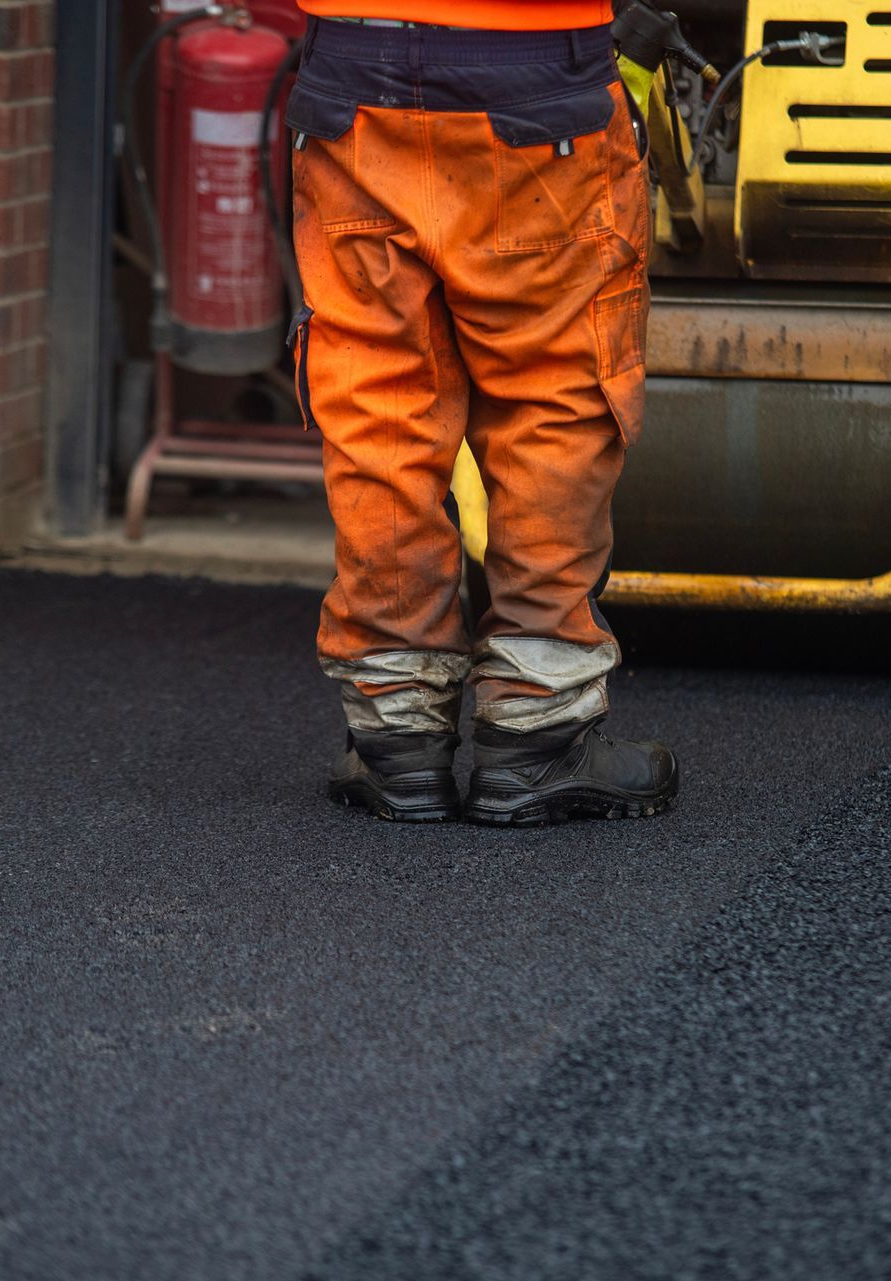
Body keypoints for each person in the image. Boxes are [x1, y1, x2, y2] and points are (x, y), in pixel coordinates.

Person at [287, 0, 678, 825]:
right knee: (552, 394)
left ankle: (397, 735)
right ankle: (536, 732)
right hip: (538, 78)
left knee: (378, 401)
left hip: (352, 74)